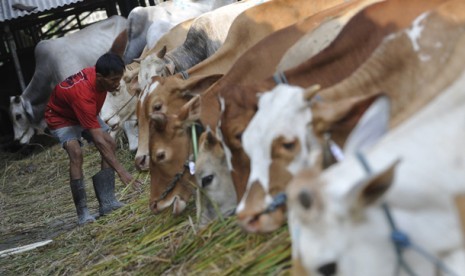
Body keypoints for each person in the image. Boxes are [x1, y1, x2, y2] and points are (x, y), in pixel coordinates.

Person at [45, 52, 141, 225]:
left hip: (83, 112)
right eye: (113, 80)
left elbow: (101, 138)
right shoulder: (83, 95)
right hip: (61, 117)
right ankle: (83, 212)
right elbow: (98, 141)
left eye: (119, 78)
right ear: (99, 77)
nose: (117, 83)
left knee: (110, 142)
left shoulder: (101, 80)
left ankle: (107, 202)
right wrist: (122, 171)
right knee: (76, 153)